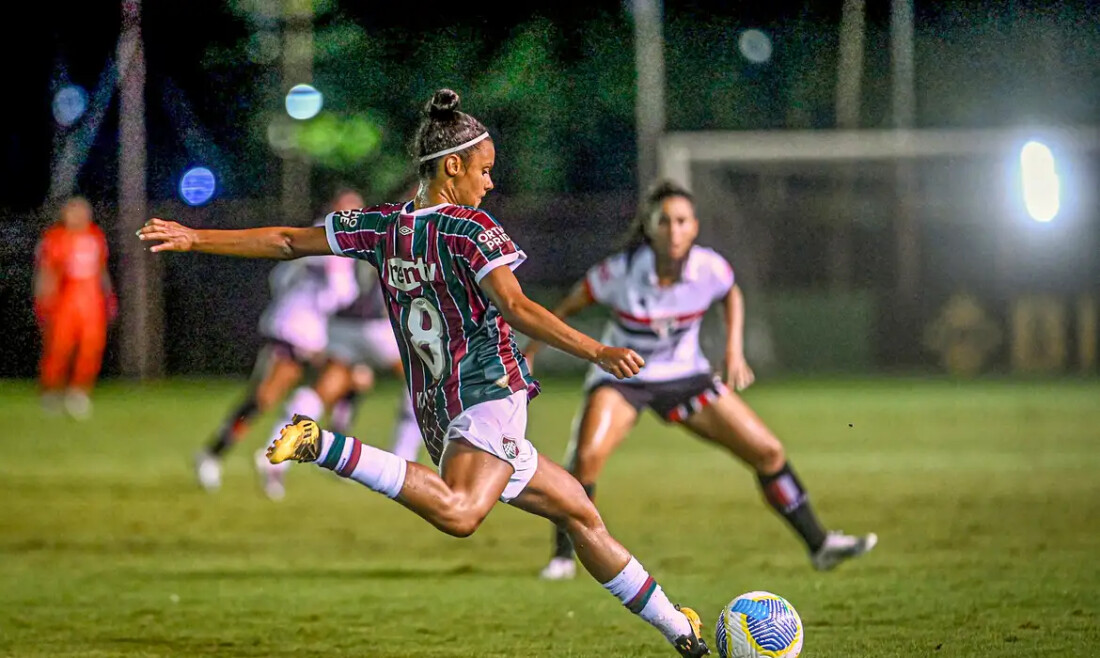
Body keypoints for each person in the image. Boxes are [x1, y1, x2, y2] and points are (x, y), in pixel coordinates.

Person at [139, 89, 711, 657]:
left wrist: (195, 238)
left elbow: (288, 240)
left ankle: (678, 629)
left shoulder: (382, 226)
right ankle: (328, 446)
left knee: (580, 513)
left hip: (440, 410)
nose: (489, 184)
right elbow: (516, 307)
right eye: (484, 171)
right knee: (462, 513)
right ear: (453, 166)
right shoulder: (470, 230)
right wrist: (597, 351)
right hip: (487, 393)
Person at [527, 180, 877, 581]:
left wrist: (732, 350)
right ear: (649, 227)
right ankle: (563, 557)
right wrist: (532, 352)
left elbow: (731, 293)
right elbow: (563, 310)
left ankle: (820, 545)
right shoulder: (619, 272)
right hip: (626, 378)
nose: (673, 231)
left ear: (694, 227)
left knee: (767, 451)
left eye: (681, 222)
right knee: (585, 459)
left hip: (687, 376)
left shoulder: (708, 268)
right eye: (664, 222)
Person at [194, 189, 365, 492]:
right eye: (349, 209)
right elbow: (343, 292)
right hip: (297, 330)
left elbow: (280, 276)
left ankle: (287, 454)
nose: (354, 216)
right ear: (335, 209)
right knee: (264, 397)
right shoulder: (334, 240)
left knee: (350, 379)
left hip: (303, 328)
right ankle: (214, 454)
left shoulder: (312, 234)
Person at [254, 258, 423, 500]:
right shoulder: (388, 230)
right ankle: (405, 459)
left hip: (340, 326)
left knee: (323, 389)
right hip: (375, 327)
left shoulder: (339, 233)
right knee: (421, 376)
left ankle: (275, 452)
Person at [34, 197, 116, 419]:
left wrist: (109, 297)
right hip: (65, 300)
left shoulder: (95, 236)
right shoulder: (55, 237)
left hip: (91, 300)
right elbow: (47, 272)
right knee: (59, 346)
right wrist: (43, 300)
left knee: (91, 346)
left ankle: (79, 392)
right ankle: (51, 389)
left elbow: (101, 270)